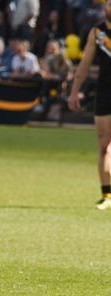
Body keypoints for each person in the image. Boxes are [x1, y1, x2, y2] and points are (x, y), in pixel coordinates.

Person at [68, 0, 111, 210]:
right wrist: (75, 91)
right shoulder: (98, 33)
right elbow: (85, 64)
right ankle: (107, 195)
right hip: (104, 93)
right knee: (104, 147)